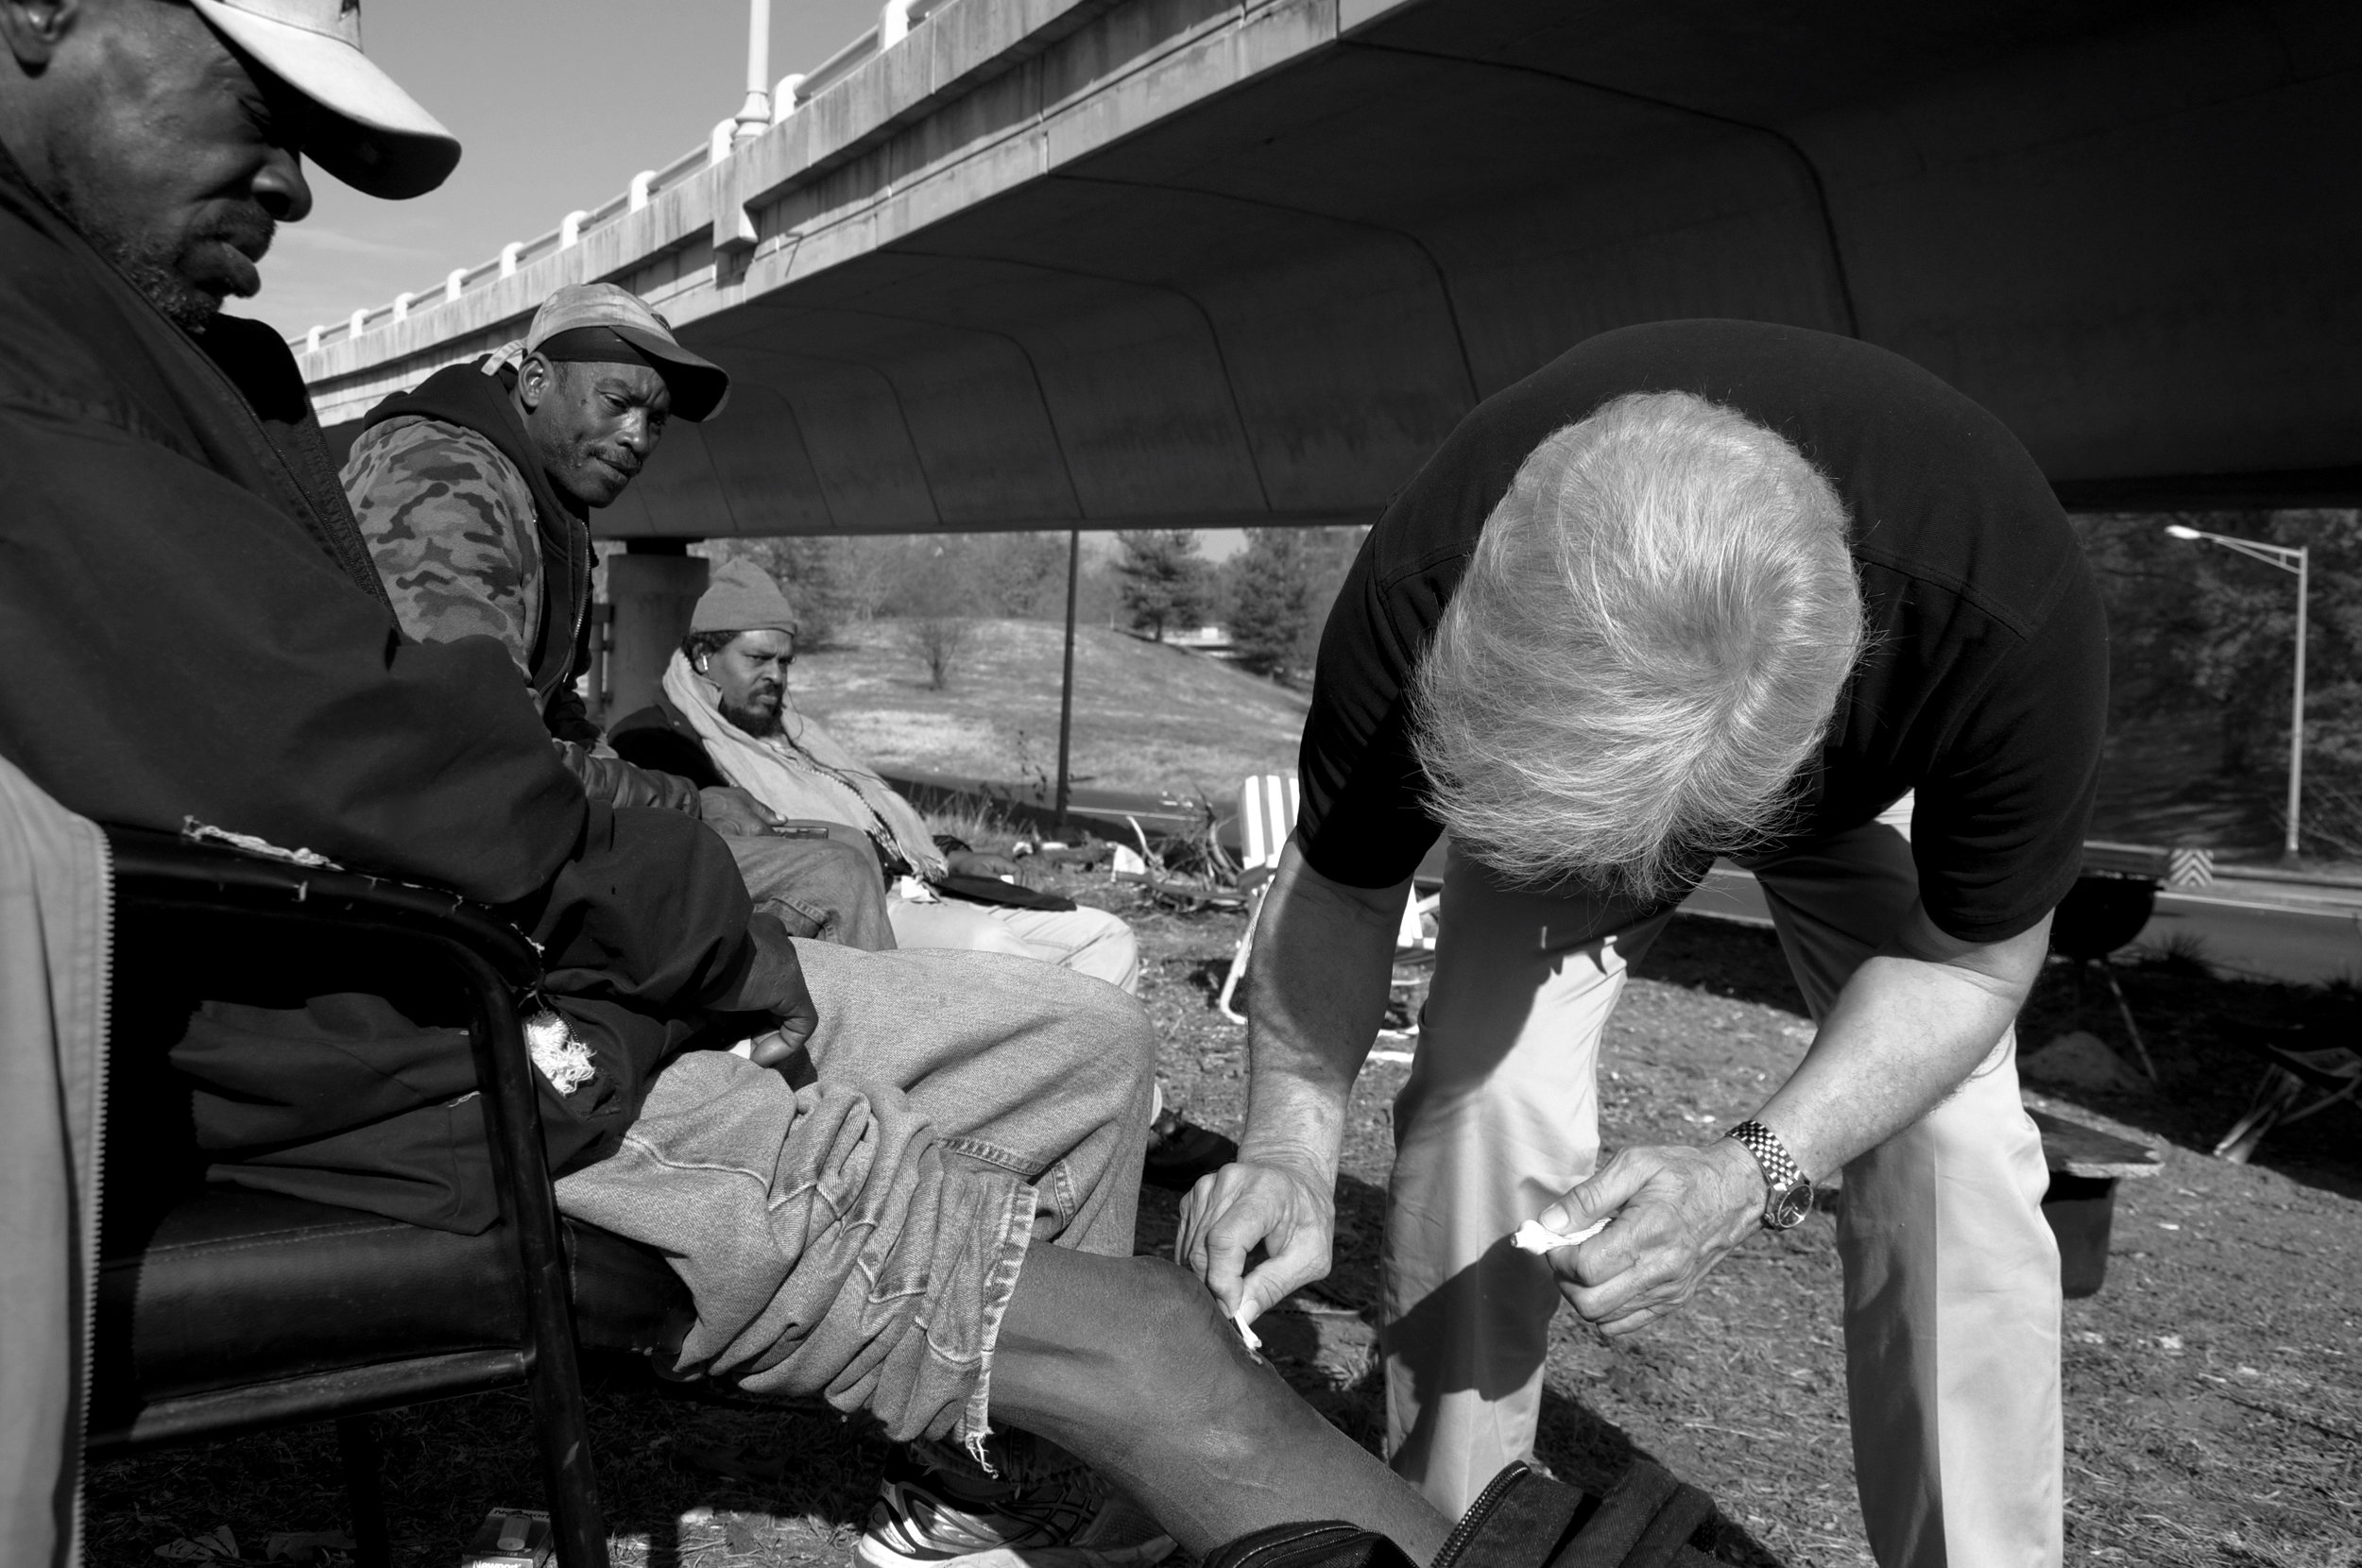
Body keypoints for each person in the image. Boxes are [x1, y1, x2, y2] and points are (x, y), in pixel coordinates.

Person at [0, 2, 1465, 1560]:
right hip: (433, 1053)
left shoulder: (159, 353)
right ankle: (999, 1412)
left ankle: (999, 1447)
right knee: (1146, 1329)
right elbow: (387, 754)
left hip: (472, 1009)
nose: (292, 187)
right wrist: (692, 906)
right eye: (256, 99)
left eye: (658, 408)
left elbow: (380, 754)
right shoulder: (402, 463)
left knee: (1082, 1045)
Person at [1181, 321, 2107, 1568]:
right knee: (1484, 1096)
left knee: (1961, 1150)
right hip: (1555, 786)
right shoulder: (1425, 586)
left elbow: (1971, 965)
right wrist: (1289, 1145)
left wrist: (1750, 1170)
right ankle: (1452, 1531)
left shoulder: (2004, 606)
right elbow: (1342, 889)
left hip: (1842, 780)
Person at [343, 281, 891, 951]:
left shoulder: (542, 500)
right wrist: (686, 804)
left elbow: (554, 714)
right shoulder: (442, 477)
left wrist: (675, 797)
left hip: (510, 827)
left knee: (843, 844)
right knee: (831, 877)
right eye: (618, 402)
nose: (638, 438)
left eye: (655, 419)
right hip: (432, 862)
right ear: (538, 380)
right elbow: (488, 754)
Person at [610, 561, 1143, 993]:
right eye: (758, 658)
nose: (776, 676)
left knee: (1105, 936)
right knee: (989, 948)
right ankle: (1053, 1096)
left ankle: (1093, 1105)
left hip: (927, 888)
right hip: (852, 910)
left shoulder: (794, 732)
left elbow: (871, 816)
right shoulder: (662, 741)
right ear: (705, 655)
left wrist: (954, 854)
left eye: (786, 662)